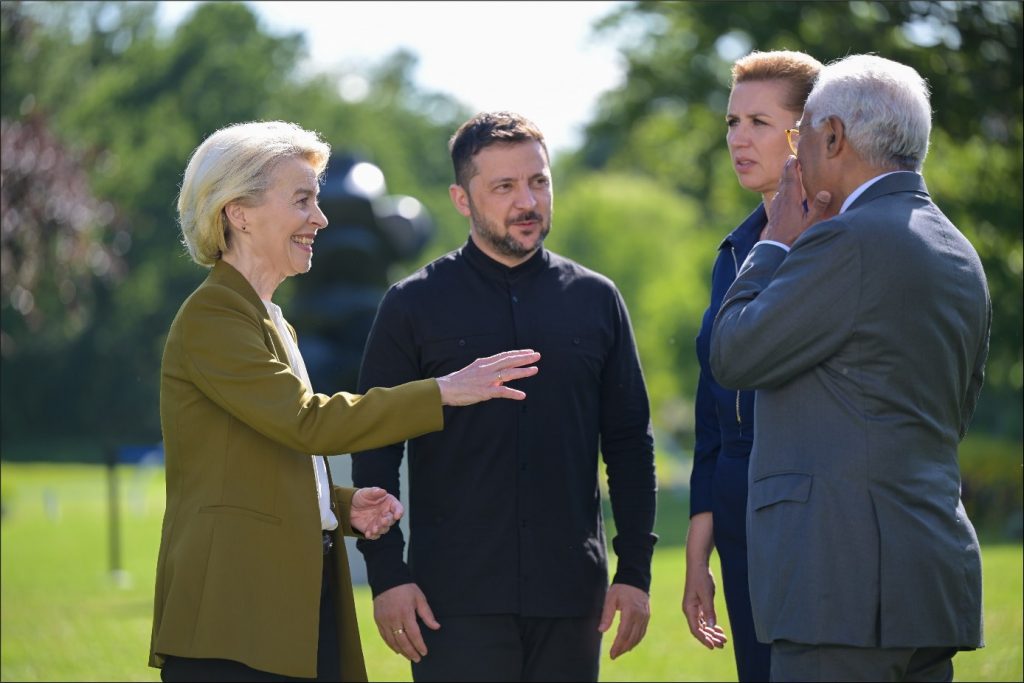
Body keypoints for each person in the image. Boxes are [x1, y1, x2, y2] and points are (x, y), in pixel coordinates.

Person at [149, 120, 542, 683]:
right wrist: (442, 391)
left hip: (272, 609)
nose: (322, 219)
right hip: (233, 619)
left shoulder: (265, 317)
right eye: (303, 200)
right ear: (239, 212)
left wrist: (337, 504)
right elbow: (307, 424)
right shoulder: (215, 316)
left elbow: (258, 458)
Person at [351, 111, 657, 682]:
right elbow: (375, 447)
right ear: (461, 199)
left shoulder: (597, 300)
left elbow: (629, 445)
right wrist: (388, 577)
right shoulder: (411, 305)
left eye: (539, 181)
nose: (528, 201)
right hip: (451, 602)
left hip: (571, 598)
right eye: (504, 186)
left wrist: (634, 571)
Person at [710, 55, 990, 681]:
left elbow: (734, 352)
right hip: (927, 584)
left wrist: (775, 242)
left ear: (832, 136)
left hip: (837, 589)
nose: (792, 155)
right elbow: (957, 405)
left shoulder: (846, 239)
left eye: (800, 132)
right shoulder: (957, 249)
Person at [682, 50, 822, 682]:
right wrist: (699, 542)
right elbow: (715, 407)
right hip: (738, 508)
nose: (738, 138)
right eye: (732, 123)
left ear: (810, 132)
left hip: (808, 508)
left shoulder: (835, 242)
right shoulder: (735, 249)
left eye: (759, 123)